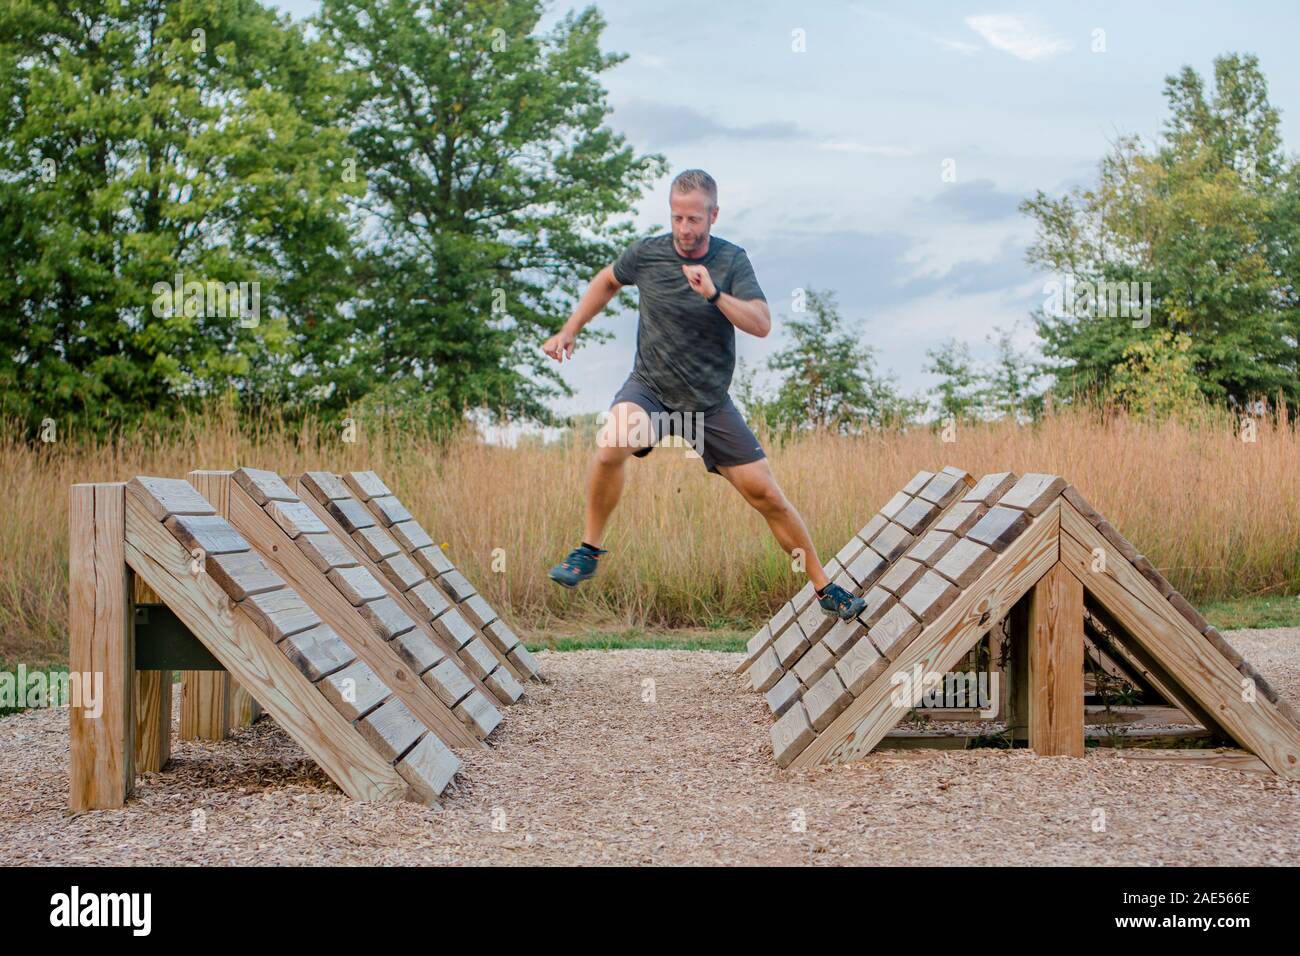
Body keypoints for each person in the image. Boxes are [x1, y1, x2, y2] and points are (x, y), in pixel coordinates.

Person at [540, 169, 866, 622]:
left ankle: (824, 586)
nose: (685, 229)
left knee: (766, 494)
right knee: (613, 438)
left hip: (708, 404)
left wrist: (714, 293)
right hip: (651, 389)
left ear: (713, 215)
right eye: (677, 218)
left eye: (694, 219)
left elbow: (761, 323)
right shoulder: (648, 254)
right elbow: (607, 281)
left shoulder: (731, 261)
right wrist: (569, 330)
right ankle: (589, 550)